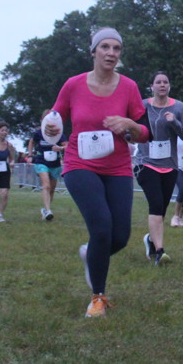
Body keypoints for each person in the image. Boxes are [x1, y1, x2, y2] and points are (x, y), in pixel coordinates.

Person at [48, 27, 150, 318]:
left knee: (120, 236)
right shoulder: (73, 85)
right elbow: (54, 120)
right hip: (80, 164)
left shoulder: (129, 87)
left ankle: (90, 252)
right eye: (105, 47)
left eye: (116, 48)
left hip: (117, 166)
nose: (111, 53)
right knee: (102, 228)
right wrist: (52, 129)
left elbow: (146, 132)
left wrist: (129, 124)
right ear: (93, 51)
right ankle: (98, 297)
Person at [136, 71, 183, 265]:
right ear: (151, 86)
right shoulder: (142, 106)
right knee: (156, 204)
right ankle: (160, 252)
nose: (162, 85)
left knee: (162, 207)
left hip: (170, 165)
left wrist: (174, 122)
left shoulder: (179, 107)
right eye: (158, 82)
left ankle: (150, 240)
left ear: (169, 86)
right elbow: (133, 130)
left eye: (165, 82)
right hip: (146, 162)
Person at [28, 110, 69, 221]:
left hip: (55, 164)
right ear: (42, 121)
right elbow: (31, 142)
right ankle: (48, 211)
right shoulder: (39, 133)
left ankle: (45, 210)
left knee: (52, 189)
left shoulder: (59, 133)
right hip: (41, 161)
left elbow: (68, 146)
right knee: (46, 185)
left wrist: (60, 148)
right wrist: (30, 155)